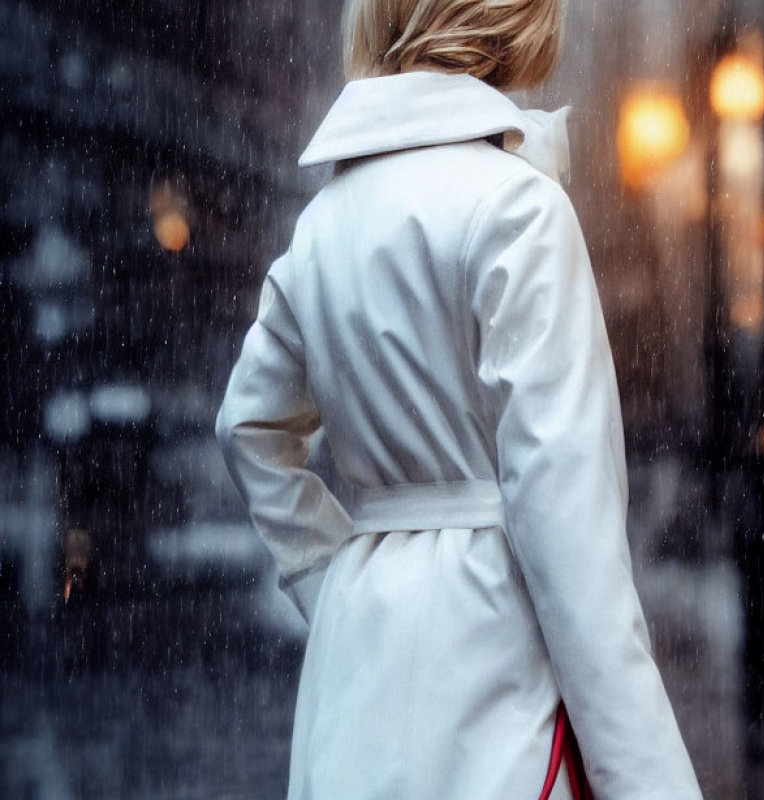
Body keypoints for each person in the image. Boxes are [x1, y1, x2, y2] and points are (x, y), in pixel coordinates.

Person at [215, 0, 703, 798]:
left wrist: (330, 575)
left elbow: (247, 428)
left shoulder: (323, 226)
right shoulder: (520, 209)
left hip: (356, 678)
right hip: (495, 673)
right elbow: (568, 526)